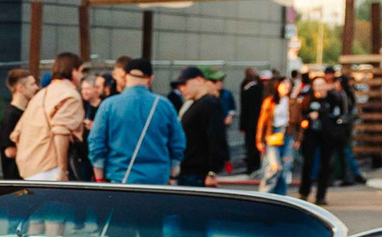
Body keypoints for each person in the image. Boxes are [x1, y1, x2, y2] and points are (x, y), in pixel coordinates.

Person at [89, 57, 183, 186]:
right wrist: (173, 173)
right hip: (157, 180)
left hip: (120, 178)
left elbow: (96, 143)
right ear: (150, 79)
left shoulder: (109, 105)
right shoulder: (164, 105)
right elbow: (177, 143)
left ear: (126, 77)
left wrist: (100, 177)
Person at [12, 54, 85, 180]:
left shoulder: (40, 95)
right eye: (81, 71)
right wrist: (62, 171)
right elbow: (61, 132)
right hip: (52, 167)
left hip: (30, 168)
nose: (82, 76)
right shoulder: (70, 95)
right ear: (73, 71)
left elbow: (17, 133)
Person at [294, 70, 348, 205]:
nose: (319, 88)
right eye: (316, 85)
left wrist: (323, 115)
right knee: (308, 163)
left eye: (321, 84)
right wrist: (308, 117)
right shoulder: (308, 98)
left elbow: (338, 115)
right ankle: (304, 192)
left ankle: (321, 195)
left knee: (325, 165)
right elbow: (301, 114)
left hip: (327, 136)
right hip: (311, 135)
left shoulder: (333, 98)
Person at [174, 68, 228, 186]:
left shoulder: (209, 104)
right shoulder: (195, 104)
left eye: (184, 83)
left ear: (198, 80)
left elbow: (216, 137)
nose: (181, 88)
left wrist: (212, 171)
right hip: (190, 170)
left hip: (198, 173)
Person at [253, 75, 292, 196]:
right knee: (274, 166)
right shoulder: (270, 101)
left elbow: (298, 120)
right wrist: (259, 139)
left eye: (288, 84)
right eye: (284, 84)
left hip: (287, 134)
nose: (287, 86)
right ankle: (265, 194)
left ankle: (281, 196)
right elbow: (262, 121)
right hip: (273, 134)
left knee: (285, 168)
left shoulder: (292, 101)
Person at [237, 68, 270, 174]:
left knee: (250, 146)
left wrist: (242, 125)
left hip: (250, 123)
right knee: (258, 145)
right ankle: (257, 165)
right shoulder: (262, 89)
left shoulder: (246, 88)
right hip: (260, 121)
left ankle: (251, 167)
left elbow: (244, 108)